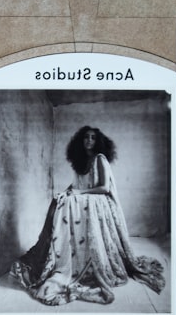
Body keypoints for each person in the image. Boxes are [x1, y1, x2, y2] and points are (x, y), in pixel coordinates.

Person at [10, 126, 165, 305]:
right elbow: (77, 185)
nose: (89, 141)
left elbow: (104, 188)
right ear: (80, 141)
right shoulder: (81, 161)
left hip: (100, 200)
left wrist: (78, 193)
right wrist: (66, 192)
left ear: (97, 142)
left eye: (92, 138)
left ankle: (81, 262)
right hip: (86, 199)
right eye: (86, 138)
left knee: (71, 201)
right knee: (59, 201)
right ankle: (55, 253)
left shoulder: (100, 159)